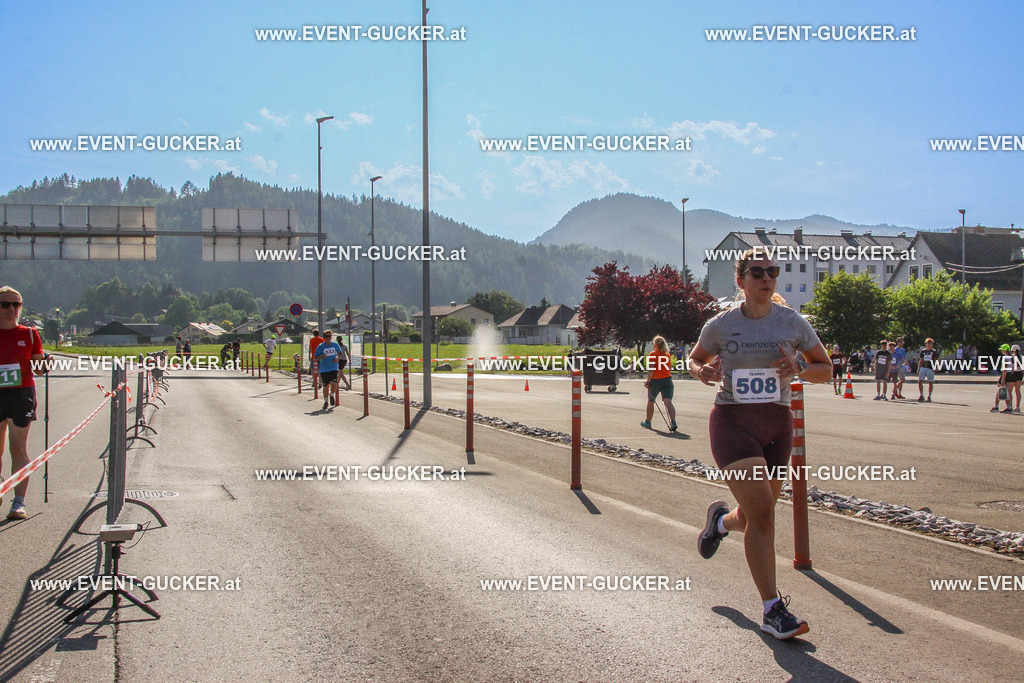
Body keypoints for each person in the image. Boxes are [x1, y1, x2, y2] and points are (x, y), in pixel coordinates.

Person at [689, 249, 831, 640]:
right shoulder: (721, 325)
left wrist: (800, 368)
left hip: (776, 427)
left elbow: (826, 369)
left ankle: (720, 522)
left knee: (754, 515)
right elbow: (695, 359)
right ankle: (772, 609)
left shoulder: (792, 323)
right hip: (733, 423)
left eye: (772, 271)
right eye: (757, 272)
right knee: (765, 513)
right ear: (741, 281)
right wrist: (704, 371)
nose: (767, 278)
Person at [0, 286, 52, 520]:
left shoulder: (29, 334)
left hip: (21, 395)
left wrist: (45, 364)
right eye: (5, 304)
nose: (11, 309)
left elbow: (39, 369)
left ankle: (18, 501)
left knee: (17, 448)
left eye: (16, 304)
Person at [641, 335, 677, 432]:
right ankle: (673, 421)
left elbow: (651, 370)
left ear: (655, 345)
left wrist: (648, 382)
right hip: (667, 380)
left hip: (656, 381)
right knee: (668, 402)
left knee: (651, 401)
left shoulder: (653, 354)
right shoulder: (667, 354)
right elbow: (668, 368)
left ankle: (648, 421)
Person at [313, 330, 343, 410]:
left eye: (329, 336)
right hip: (324, 369)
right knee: (326, 386)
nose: (328, 338)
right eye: (326, 337)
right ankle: (326, 402)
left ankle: (332, 395)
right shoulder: (321, 346)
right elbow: (315, 356)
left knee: (334, 383)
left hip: (333, 367)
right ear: (324, 338)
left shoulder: (335, 345)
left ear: (331, 337)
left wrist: (337, 358)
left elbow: (340, 353)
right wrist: (320, 357)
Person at [993, 344, 1014, 413]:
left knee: (1001, 390)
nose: (1002, 351)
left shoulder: (1005, 357)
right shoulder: (1011, 357)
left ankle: (996, 406)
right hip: (1010, 374)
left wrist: (1002, 379)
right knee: (1006, 391)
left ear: (1005, 350)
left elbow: (1005, 368)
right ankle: (1009, 407)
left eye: (1002, 349)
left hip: (1005, 374)